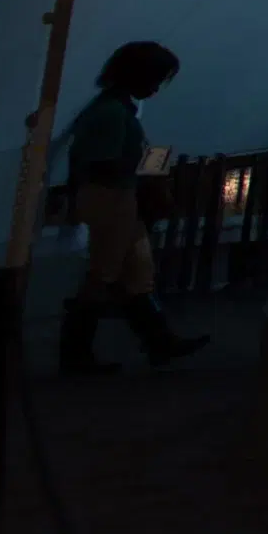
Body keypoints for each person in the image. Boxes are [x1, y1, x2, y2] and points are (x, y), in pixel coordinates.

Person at [57, 41, 209, 371]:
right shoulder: (113, 113)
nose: (156, 87)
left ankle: (157, 341)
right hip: (110, 198)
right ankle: (79, 353)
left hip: (116, 197)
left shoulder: (112, 109)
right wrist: (149, 174)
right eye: (156, 79)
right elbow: (103, 164)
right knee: (106, 275)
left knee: (134, 272)